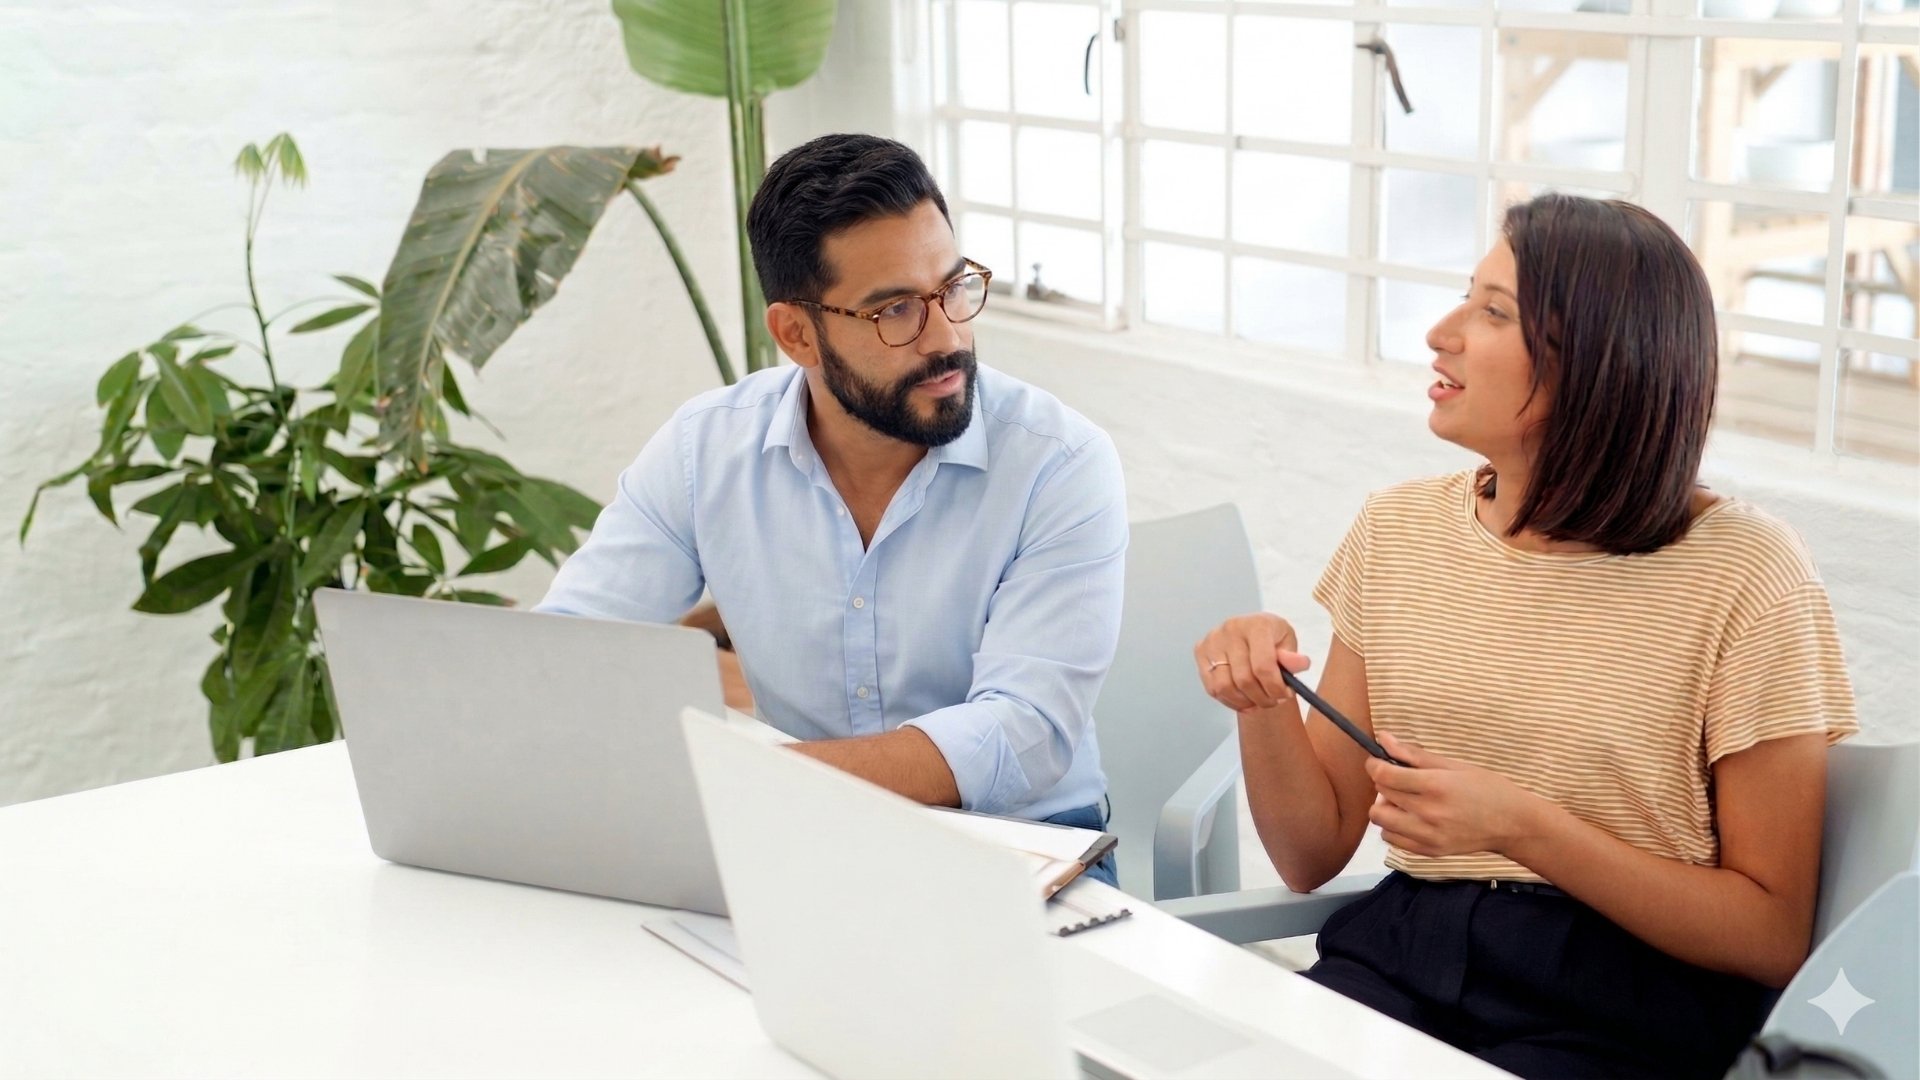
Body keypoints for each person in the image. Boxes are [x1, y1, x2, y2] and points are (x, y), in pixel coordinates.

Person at [1194, 194, 1858, 1079]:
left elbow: (1771, 934)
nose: (1441, 332)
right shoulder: (1397, 532)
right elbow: (1311, 854)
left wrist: (1523, 827)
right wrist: (1262, 701)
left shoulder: (1746, 573)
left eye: (1492, 312)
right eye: (1465, 298)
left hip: (1626, 998)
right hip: (1402, 952)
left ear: (1598, 361)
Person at [538, 134, 1127, 879]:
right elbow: (565, 656)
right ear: (796, 334)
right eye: (895, 311)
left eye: (953, 288)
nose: (946, 337)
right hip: (803, 835)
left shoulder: (1059, 462)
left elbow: (1022, 733)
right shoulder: (704, 450)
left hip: (1022, 846)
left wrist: (762, 782)